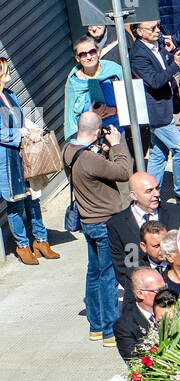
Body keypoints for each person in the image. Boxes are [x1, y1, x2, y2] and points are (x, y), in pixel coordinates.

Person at [61, 113, 132, 346]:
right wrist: (117, 146)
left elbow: (92, 171)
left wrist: (100, 152)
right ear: (96, 131)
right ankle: (110, 331)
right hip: (104, 223)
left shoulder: (68, 150)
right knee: (108, 277)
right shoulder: (91, 160)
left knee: (94, 274)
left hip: (87, 222)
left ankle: (96, 326)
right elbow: (123, 172)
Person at [128, 19, 180, 202]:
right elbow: (156, 81)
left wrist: (176, 55)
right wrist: (177, 64)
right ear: (140, 32)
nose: (158, 30)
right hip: (155, 113)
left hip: (164, 107)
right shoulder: (137, 55)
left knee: (158, 154)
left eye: (158, 26)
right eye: (152, 28)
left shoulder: (156, 45)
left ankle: (149, 194)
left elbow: (164, 63)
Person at [0, 56, 57, 265]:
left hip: (25, 154)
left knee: (33, 198)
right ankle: (22, 245)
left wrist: (33, 128)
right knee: (15, 203)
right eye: (4, 69)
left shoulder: (10, 94)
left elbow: (21, 118)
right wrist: (21, 133)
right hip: (6, 159)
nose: (8, 72)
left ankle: (41, 241)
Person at [107, 171, 180, 294]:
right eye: (149, 191)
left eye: (157, 188)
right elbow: (121, 267)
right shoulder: (117, 224)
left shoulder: (176, 213)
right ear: (134, 195)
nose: (157, 194)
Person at [63, 35, 122, 141]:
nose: (89, 57)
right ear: (77, 58)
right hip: (89, 136)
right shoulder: (73, 81)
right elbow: (70, 115)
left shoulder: (114, 70)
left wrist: (115, 110)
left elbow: (131, 100)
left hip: (117, 130)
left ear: (98, 51)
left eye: (92, 52)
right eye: (83, 54)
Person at [114, 266, 163, 360]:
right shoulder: (125, 325)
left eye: (165, 288)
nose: (165, 293)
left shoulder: (175, 311)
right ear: (140, 294)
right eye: (158, 291)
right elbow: (133, 360)